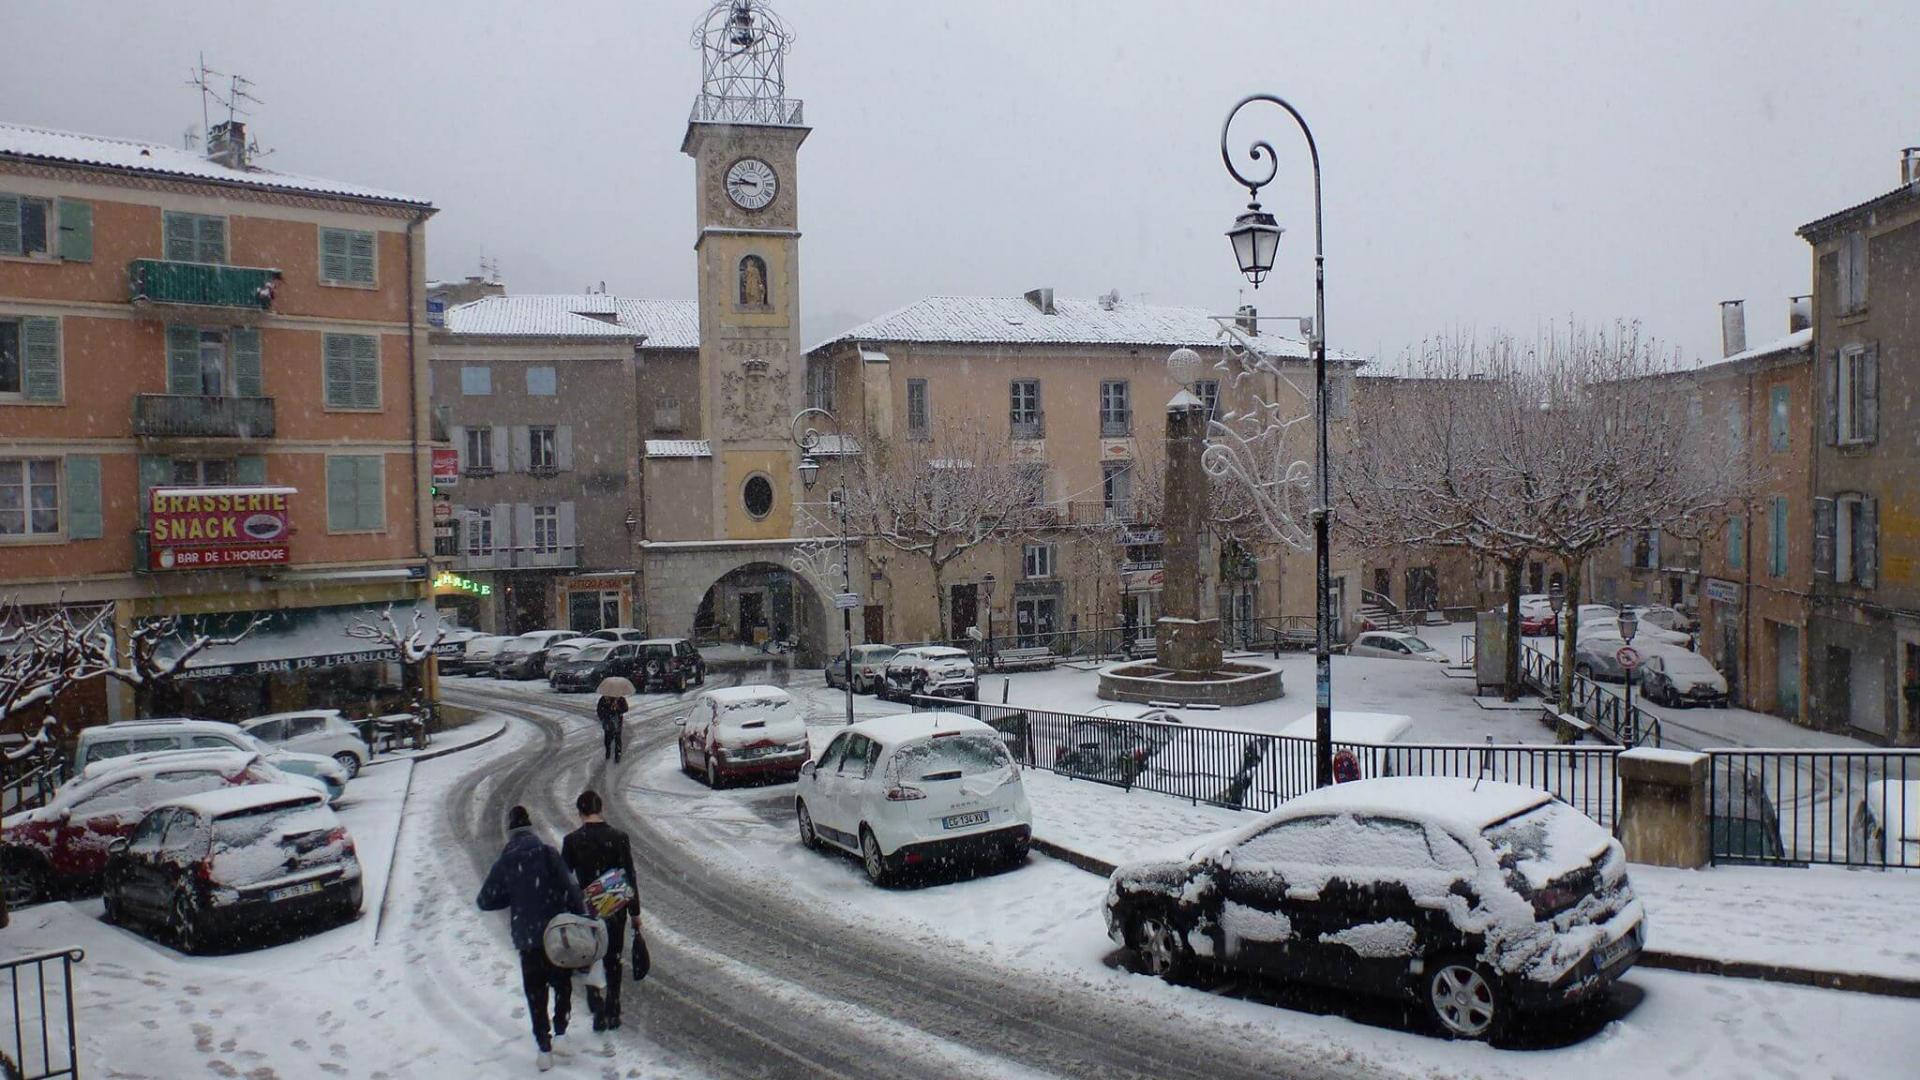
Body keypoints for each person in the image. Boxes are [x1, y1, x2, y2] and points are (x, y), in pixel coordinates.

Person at [477, 805, 587, 1072]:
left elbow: (485, 900)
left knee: (535, 995)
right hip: (555, 937)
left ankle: (544, 1049)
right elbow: (571, 888)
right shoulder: (548, 853)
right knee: (562, 985)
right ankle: (561, 1032)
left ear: (510, 833)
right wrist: (579, 916)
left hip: (528, 942)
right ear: (531, 828)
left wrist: (513, 897)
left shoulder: (505, 861)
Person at [561, 790, 641, 1032]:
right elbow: (629, 876)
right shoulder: (619, 837)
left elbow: (565, 877)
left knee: (590, 956)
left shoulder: (572, 841)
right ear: (601, 808)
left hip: (588, 910)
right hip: (615, 908)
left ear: (580, 812)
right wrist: (635, 913)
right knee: (613, 960)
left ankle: (597, 1008)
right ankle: (613, 1009)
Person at [597, 692, 627, 763]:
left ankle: (618, 755)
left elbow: (625, 709)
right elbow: (599, 710)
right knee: (607, 738)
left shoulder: (620, 699)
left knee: (617, 738)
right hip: (607, 722)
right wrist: (604, 715)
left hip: (617, 722)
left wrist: (618, 708)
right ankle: (608, 751)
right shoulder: (604, 699)